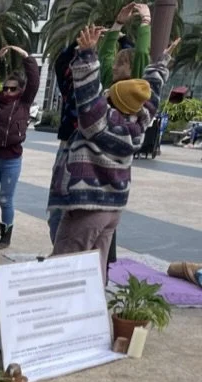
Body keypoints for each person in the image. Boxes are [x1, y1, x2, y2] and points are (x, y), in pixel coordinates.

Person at [48, 26, 171, 282]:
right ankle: (95, 304)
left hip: (88, 207)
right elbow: (151, 96)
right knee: (96, 268)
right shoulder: (140, 123)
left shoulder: (100, 124)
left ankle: (67, 307)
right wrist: (160, 66)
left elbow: (87, 96)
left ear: (112, 100)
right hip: (113, 209)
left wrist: (87, 54)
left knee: (64, 269)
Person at [0, 44, 39, 250]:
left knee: (5, 200)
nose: (8, 92)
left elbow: (34, 81)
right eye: (6, 88)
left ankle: (5, 236)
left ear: (20, 90)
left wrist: (27, 58)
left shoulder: (24, 103)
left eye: (13, 88)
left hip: (12, 159)